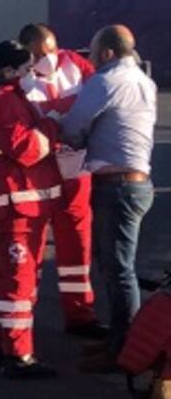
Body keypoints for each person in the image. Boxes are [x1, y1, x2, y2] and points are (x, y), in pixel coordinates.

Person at [57, 25, 158, 372]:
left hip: (117, 187)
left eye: (94, 50)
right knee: (116, 267)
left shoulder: (105, 81)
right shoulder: (144, 81)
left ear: (108, 53)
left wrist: (53, 124)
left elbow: (73, 128)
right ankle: (118, 342)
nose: (92, 58)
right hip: (135, 183)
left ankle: (124, 351)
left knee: (119, 271)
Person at [0, 40, 63, 379]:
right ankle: (19, 355)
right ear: (8, 72)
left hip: (6, 203)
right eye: (25, 70)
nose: (30, 75)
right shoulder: (2, 101)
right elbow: (26, 147)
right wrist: (53, 128)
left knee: (1, 279)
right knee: (18, 282)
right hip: (14, 204)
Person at [18, 23, 104, 337]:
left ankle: (81, 315)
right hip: (40, 174)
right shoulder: (20, 80)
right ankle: (22, 319)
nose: (48, 58)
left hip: (76, 171)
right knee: (29, 250)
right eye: (40, 54)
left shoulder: (75, 65)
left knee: (77, 250)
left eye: (51, 50)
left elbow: (98, 98)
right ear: (26, 53)